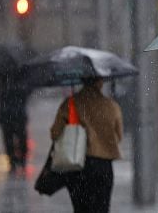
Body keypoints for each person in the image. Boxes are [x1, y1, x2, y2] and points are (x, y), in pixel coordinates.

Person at [50, 77, 123, 213]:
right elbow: (118, 136)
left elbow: (55, 133)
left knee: (80, 208)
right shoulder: (112, 106)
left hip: (77, 164)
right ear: (100, 83)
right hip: (103, 167)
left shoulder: (70, 104)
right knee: (102, 208)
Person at [0, 71, 32, 172]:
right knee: (15, 139)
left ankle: (17, 160)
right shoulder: (8, 78)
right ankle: (16, 160)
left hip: (12, 115)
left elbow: (2, 98)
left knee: (15, 139)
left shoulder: (6, 77)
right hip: (13, 115)